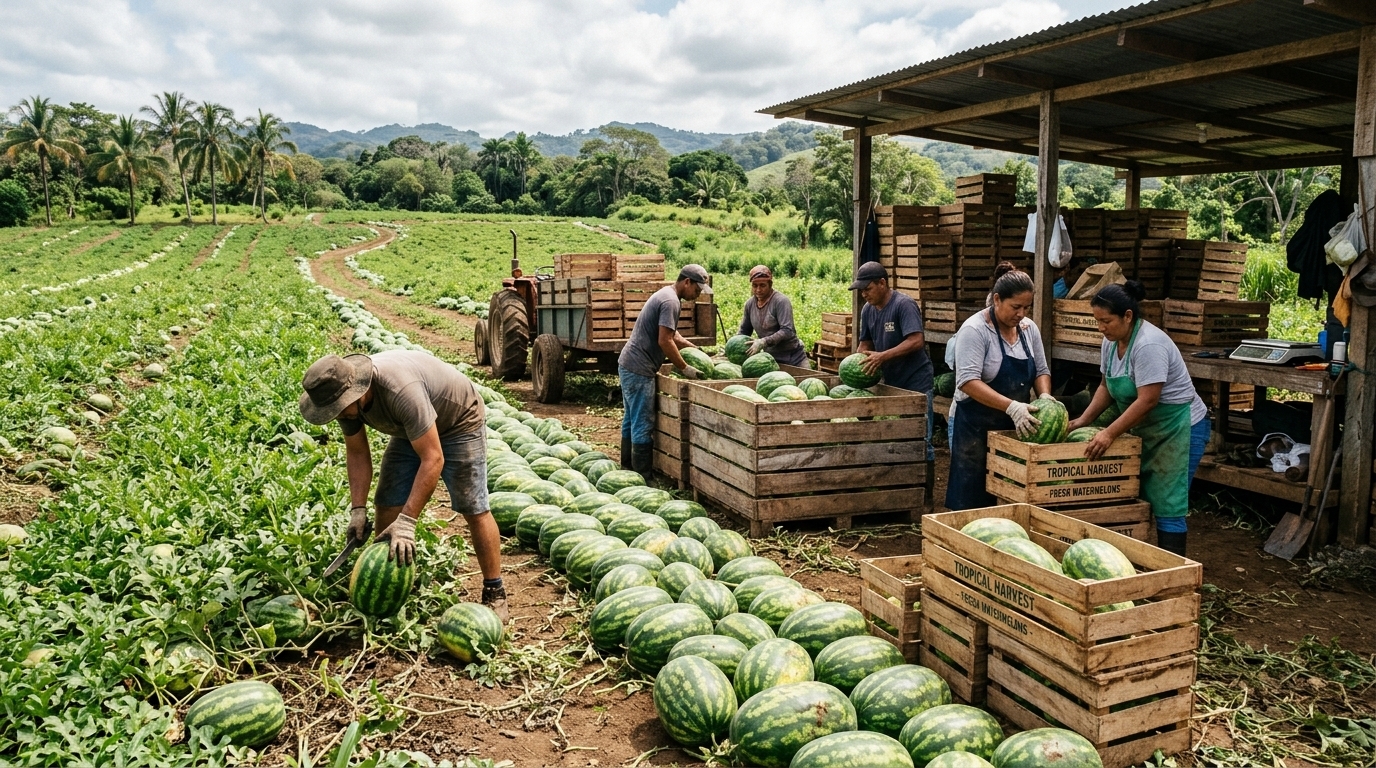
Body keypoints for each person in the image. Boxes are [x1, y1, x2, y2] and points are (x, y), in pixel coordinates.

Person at [299, 350, 509, 619]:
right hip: (409, 430)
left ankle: (495, 590)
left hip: (458, 421)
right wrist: (358, 510)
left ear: (358, 393)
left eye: (338, 410)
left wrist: (408, 521)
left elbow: (433, 459)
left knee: (473, 507)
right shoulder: (343, 404)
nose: (336, 415)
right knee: (387, 502)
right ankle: (391, 582)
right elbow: (358, 453)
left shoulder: (401, 392)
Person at [1066, 281, 1210, 557]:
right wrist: (1083, 420)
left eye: (1106, 321)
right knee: (1139, 497)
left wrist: (1108, 433)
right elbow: (1107, 386)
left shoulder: (1148, 345)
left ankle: (1171, 571)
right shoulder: (1111, 343)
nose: (1101, 327)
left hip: (1180, 427)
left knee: (1167, 502)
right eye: (1097, 321)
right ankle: (1142, 563)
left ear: (1128, 316)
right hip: (1147, 426)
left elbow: (1148, 399)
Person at [945, 263, 1052, 511]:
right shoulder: (975, 330)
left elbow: (1042, 370)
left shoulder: (1028, 329)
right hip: (973, 428)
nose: (1022, 314)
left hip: (1012, 429)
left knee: (1007, 496)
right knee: (972, 501)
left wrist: (1045, 395)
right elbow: (968, 382)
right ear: (996, 299)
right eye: (1016, 307)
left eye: (1027, 307)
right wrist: (1012, 406)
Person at [617, 264, 713, 475]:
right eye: (697, 290)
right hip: (639, 368)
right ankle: (642, 476)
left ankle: (626, 467)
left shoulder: (668, 295)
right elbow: (665, 340)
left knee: (631, 417)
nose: (697, 295)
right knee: (642, 420)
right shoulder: (670, 301)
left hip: (629, 364)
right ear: (686, 282)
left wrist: (696, 350)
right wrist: (684, 367)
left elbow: (674, 335)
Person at [851, 261, 935, 460]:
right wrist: (856, 362)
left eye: (867, 289)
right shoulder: (867, 310)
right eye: (861, 290)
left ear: (882, 283)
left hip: (916, 381)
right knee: (897, 437)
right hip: (891, 383)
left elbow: (916, 341)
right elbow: (865, 344)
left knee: (921, 437)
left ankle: (926, 489)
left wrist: (882, 356)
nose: (864, 294)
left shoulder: (903, 304)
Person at [738, 264, 808, 368]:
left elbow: (787, 330)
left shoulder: (780, 301)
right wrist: (732, 346)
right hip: (770, 360)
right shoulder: (750, 304)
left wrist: (764, 341)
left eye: (762, 285)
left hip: (793, 358)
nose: (758, 290)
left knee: (806, 382)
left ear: (770, 284)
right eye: (755, 285)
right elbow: (744, 330)